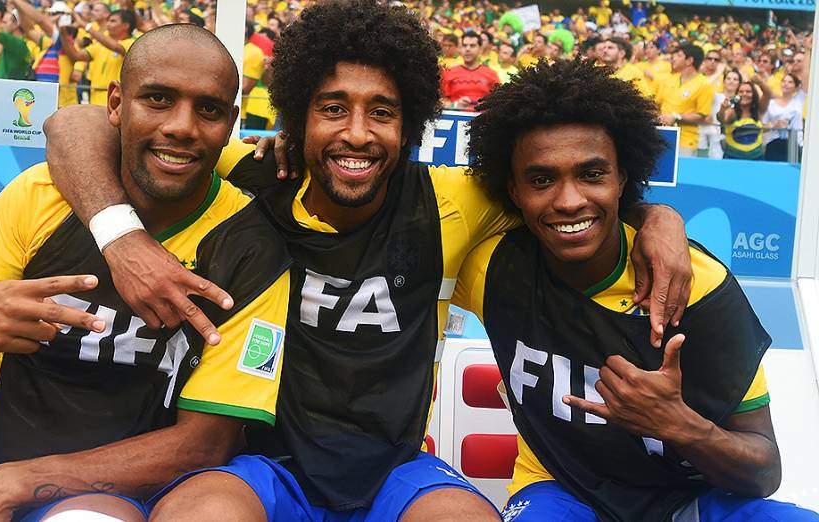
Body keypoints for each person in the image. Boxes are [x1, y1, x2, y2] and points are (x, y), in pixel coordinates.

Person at [43, 1, 692, 520]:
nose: (357, 132)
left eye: (381, 112)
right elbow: (74, 123)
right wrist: (121, 236)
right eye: (332, 110)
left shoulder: (452, 200)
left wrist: (656, 216)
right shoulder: (255, 174)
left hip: (398, 477)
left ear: (412, 127)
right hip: (261, 470)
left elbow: (561, 191)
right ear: (295, 120)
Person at [0, 24, 291, 522]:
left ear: (232, 122)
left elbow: (205, 444)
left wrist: (12, 483)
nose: (182, 126)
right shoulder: (41, 194)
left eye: (208, 109)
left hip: (109, 479)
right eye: (158, 99)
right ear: (117, 104)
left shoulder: (251, 245)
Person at [461, 58, 819, 522]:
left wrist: (680, 426)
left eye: (592, 175)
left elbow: (765, 471)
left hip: (687, 498)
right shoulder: (491, 267)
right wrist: (658, 214)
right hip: (559, 489)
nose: (569, 200)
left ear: (622, 179)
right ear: (513, 190)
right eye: (541, 179)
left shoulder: (698, 283)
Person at [62, 8, 137, 106]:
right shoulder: (99, 45)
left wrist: (85, 26)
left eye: (113, 21)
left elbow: (115, 47)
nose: (108, 24)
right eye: (108, 21)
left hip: (117, 102)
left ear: (125, 26)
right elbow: (75, 56)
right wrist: (63, 33)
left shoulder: (132, 43)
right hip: (94, 100)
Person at [656, 43, 715, 157]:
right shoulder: (669, 79)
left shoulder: (704, 84)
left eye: (678, 55)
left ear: (689, 61)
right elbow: (657, 104)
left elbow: (702, 115)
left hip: (686, 140)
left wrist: (676, 117)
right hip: (661, 135)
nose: (673, 58)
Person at [441, 31, 499, 111]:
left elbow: (499, 103)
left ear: (480, 49)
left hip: (483, 121)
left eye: (472, 46)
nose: (467, 49)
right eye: (464, 45)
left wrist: (485, 106)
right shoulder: (448, 73)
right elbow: (440, 102)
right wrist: (455, 105)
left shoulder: (492, 75)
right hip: (454, 120)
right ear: (460, 49)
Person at [718, 78, 772, 160]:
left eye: (748, 92)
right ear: (736, 95)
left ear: (754, 95)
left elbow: (768, 94)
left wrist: (760, 82)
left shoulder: (759, 111)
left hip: (756, 159)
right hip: (733, 158)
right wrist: (722, 109)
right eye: (741, 92)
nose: (744, 94)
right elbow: (722, 119)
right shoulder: (732, 112)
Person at [763, 74, 805, 161]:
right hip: (774, 143)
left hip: (795, 143)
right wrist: (774, 126)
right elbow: (763, 126)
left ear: (796, 87)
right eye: (784, 81)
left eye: (790, 82)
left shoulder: (799, 101)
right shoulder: (771, 103)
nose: (786, 84)